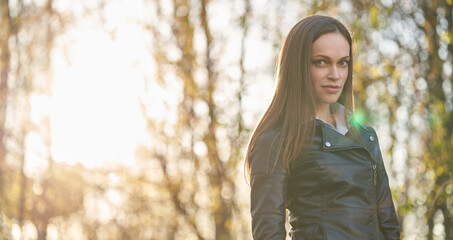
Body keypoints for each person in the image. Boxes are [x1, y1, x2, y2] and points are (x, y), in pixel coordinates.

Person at [245, 15, 400, 239]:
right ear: (298, 66)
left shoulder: (367, 137)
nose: (335, 75)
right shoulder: (276, 140)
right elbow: (268, 234)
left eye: (343, 63)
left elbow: (389, 226)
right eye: (321, 62)